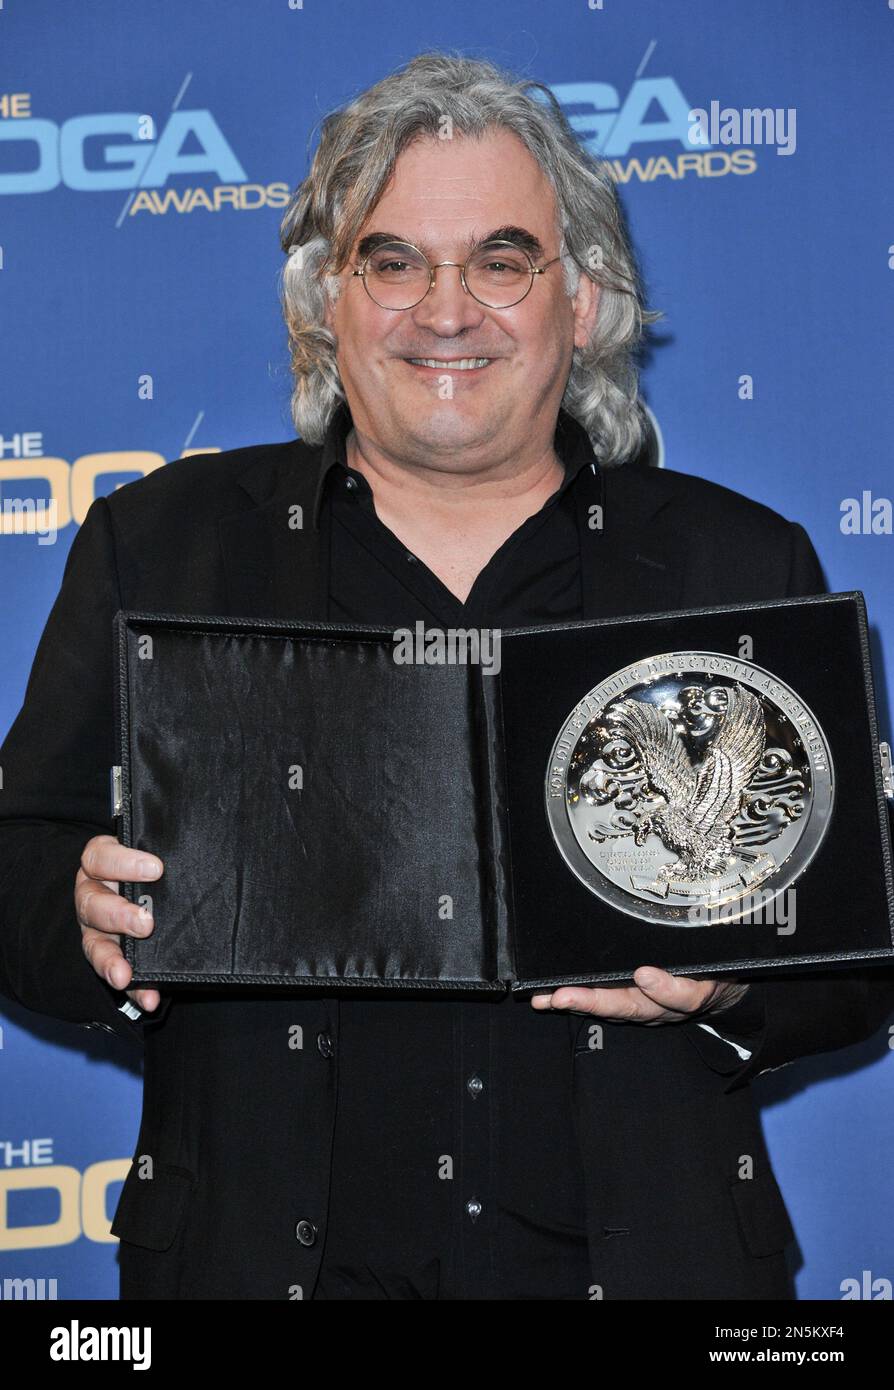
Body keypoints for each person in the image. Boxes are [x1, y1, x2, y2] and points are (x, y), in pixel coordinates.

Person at [0, 51, 891, 1301]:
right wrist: (78, 923)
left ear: (581, 301)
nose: (447, 310)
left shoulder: (736, 564)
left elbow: (865, 942)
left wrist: (738, 980)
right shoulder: (163, 544)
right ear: (326, 302)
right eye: (393, 260)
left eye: (501, 259)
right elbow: (18, 861)